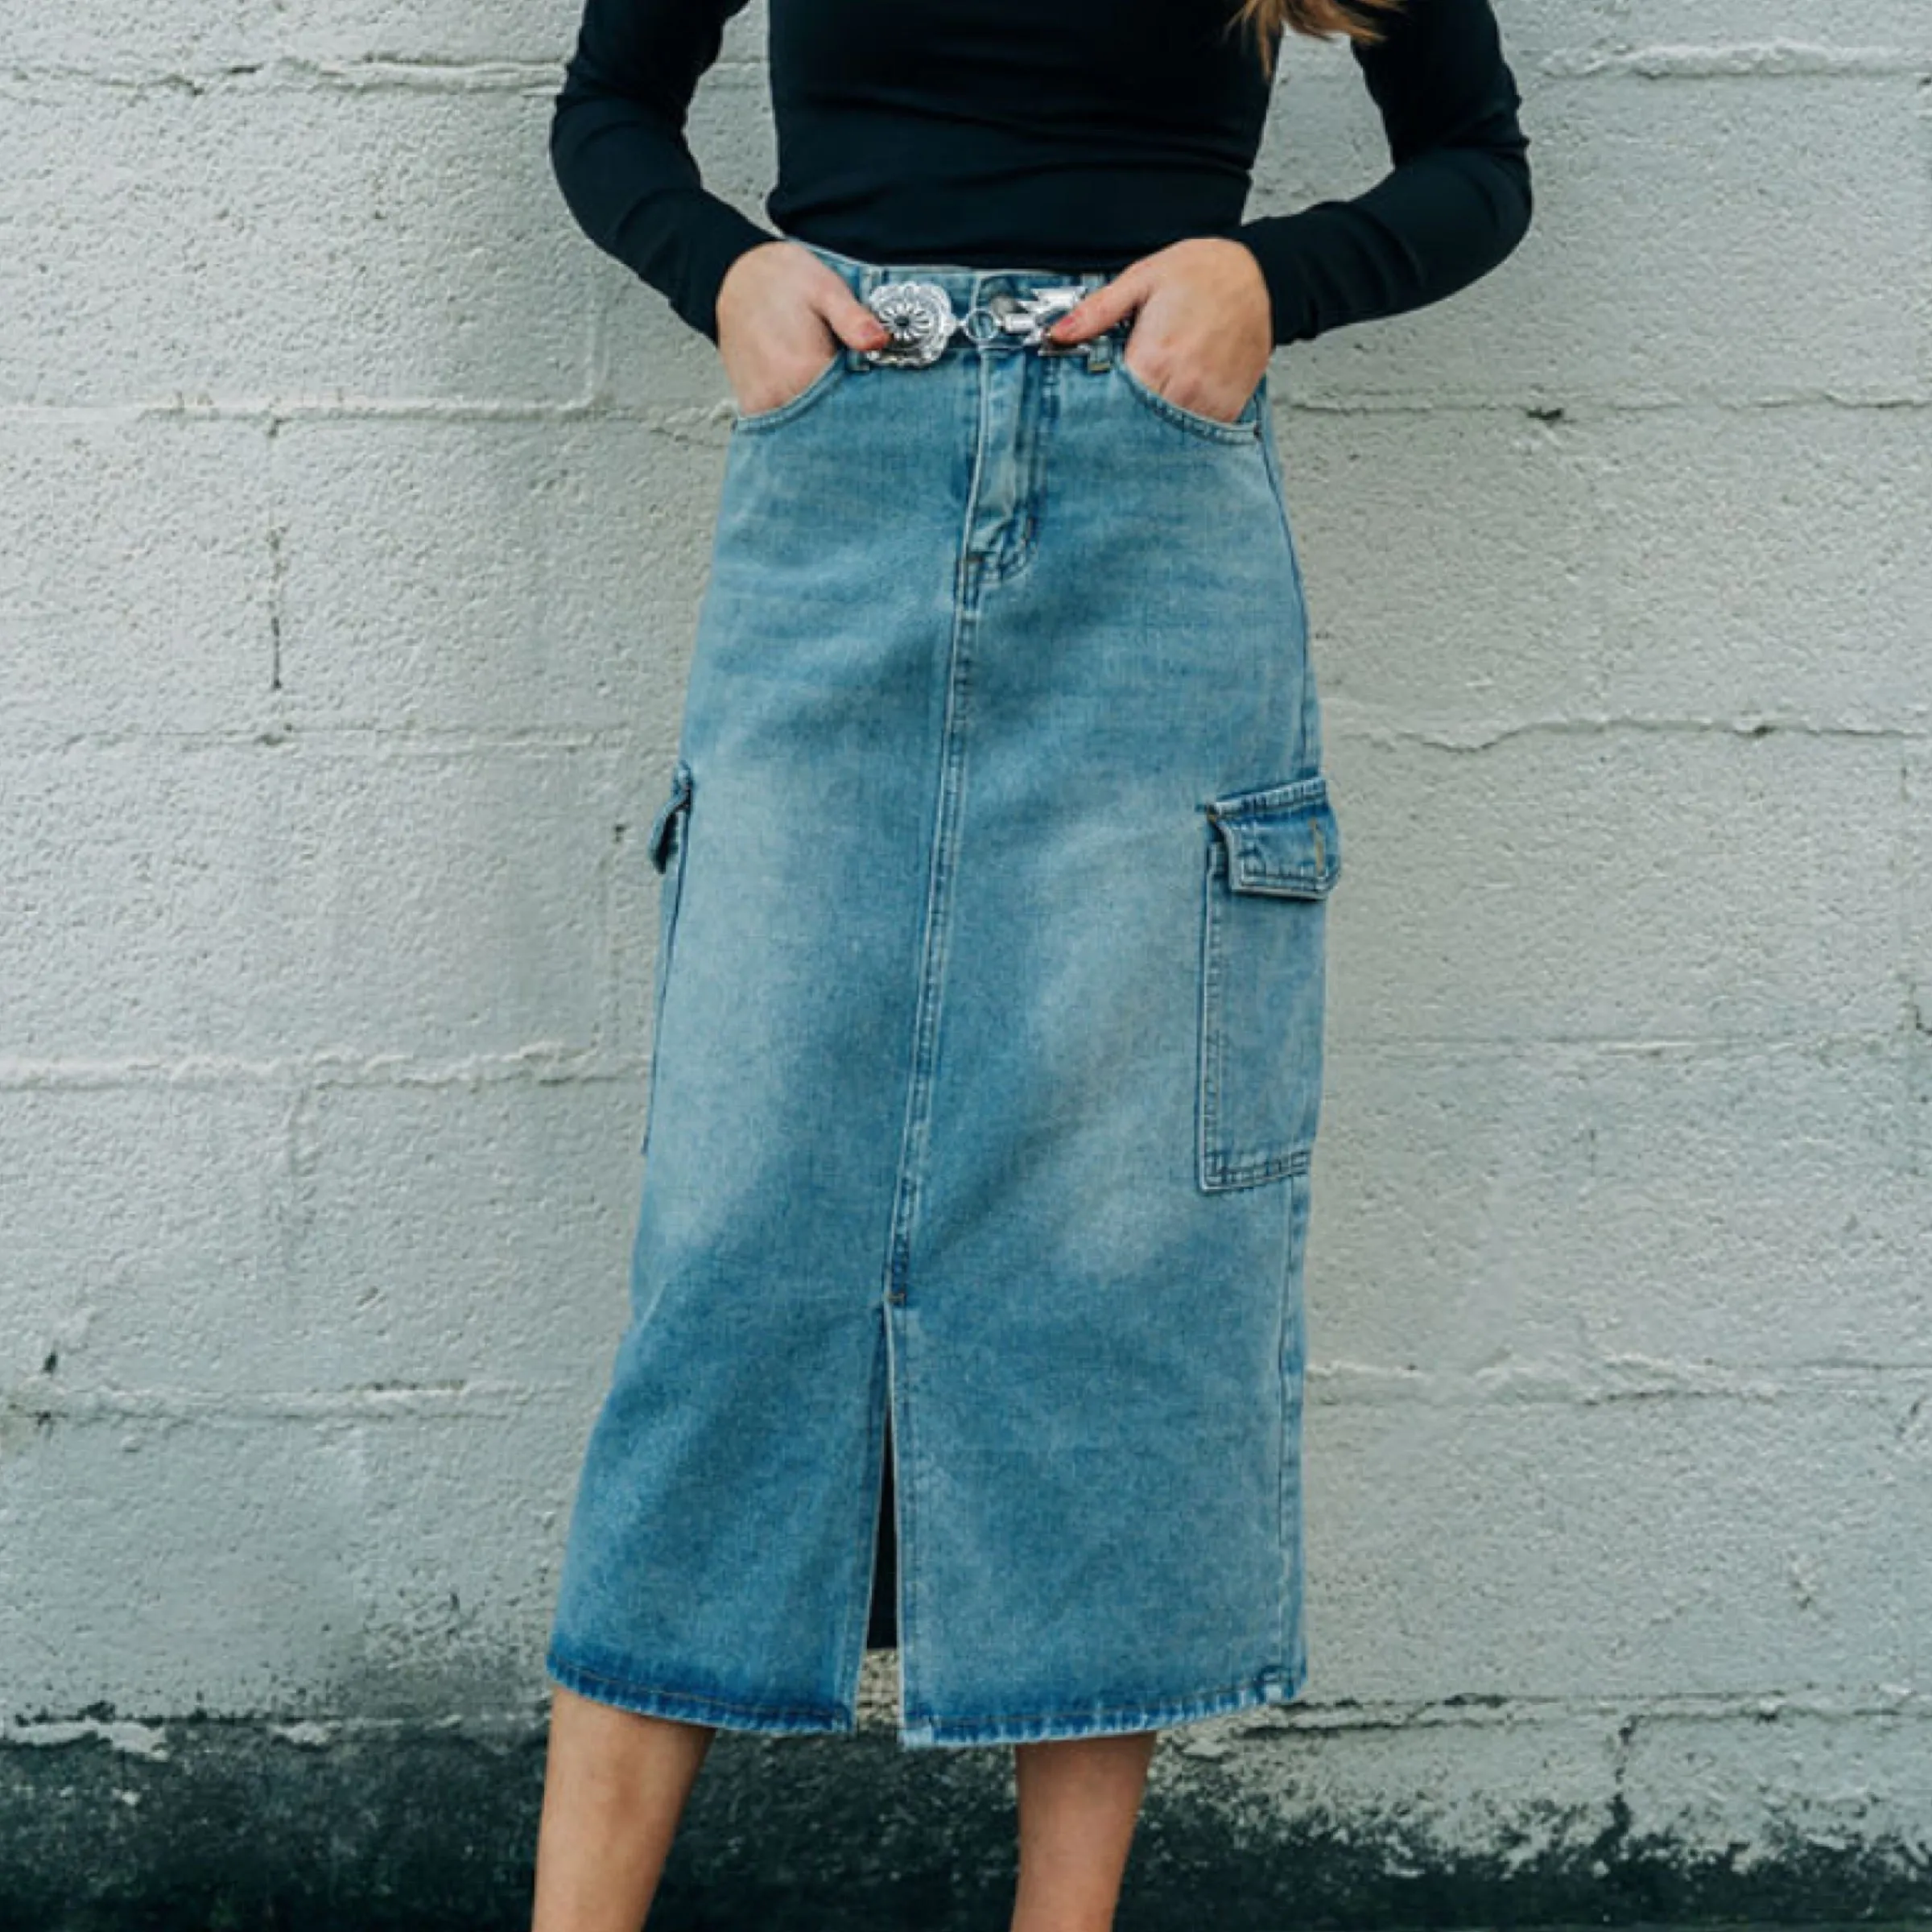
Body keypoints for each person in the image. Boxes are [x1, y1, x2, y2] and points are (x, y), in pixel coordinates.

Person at [529, 0, 1531, 1925]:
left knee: (1117, 1256)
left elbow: (1477, 163)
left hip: (1155, 526)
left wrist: (1265, 277)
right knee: (734, 1249)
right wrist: (730, 272)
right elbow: (609, 113)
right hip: (839, 498)